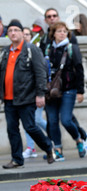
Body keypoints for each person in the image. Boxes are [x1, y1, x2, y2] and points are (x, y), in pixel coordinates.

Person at [0, 19, 55, 168]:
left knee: (30, 127)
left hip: (26, 97)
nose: (13, 33)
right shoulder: (6, 52)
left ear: (22, 33)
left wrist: (40, 94)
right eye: (10, 31)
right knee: (12, 130)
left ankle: (48, 147)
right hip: (9, 98)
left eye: (16, 30)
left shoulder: (31, 50)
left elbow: (40, 73)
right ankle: (17, 159)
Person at [40, 8, 87, 151]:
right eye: (59, 31)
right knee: (52, 121)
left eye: (64, 31)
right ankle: (58, 149)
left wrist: (80, 91)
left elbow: (79, 69)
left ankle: (79, 139)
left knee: (66, 120)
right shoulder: (48, 47)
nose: (62, 34)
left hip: (69, 88)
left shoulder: (71, 47)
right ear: (53, 34)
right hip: (51, 90)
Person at [22, 26, 48, 159]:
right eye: (24, 34)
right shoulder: (18, 52)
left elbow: (40, 73)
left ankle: (53, 135)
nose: (25, 36)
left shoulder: (35, 50)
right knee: (29, 121)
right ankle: (30, 147)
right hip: (24, 94)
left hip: (36, 92)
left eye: (28, 34)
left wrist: (40, 93)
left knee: (36, 119)